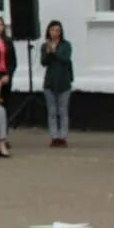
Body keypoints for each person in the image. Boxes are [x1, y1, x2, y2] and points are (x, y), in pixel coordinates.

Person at [40, 21, 74, 149]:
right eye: (52, 30)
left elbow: (65, 59)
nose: (55, 32)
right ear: (48, 31)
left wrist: (55, 51)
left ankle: (63, 136)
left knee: (63, 110)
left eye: (57, 30)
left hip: (64, 82)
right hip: (50, 82)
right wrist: (48, 52)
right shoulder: (45, 46)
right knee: (52, 111)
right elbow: (43, 62)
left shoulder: (66, 45)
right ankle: (54, 137)